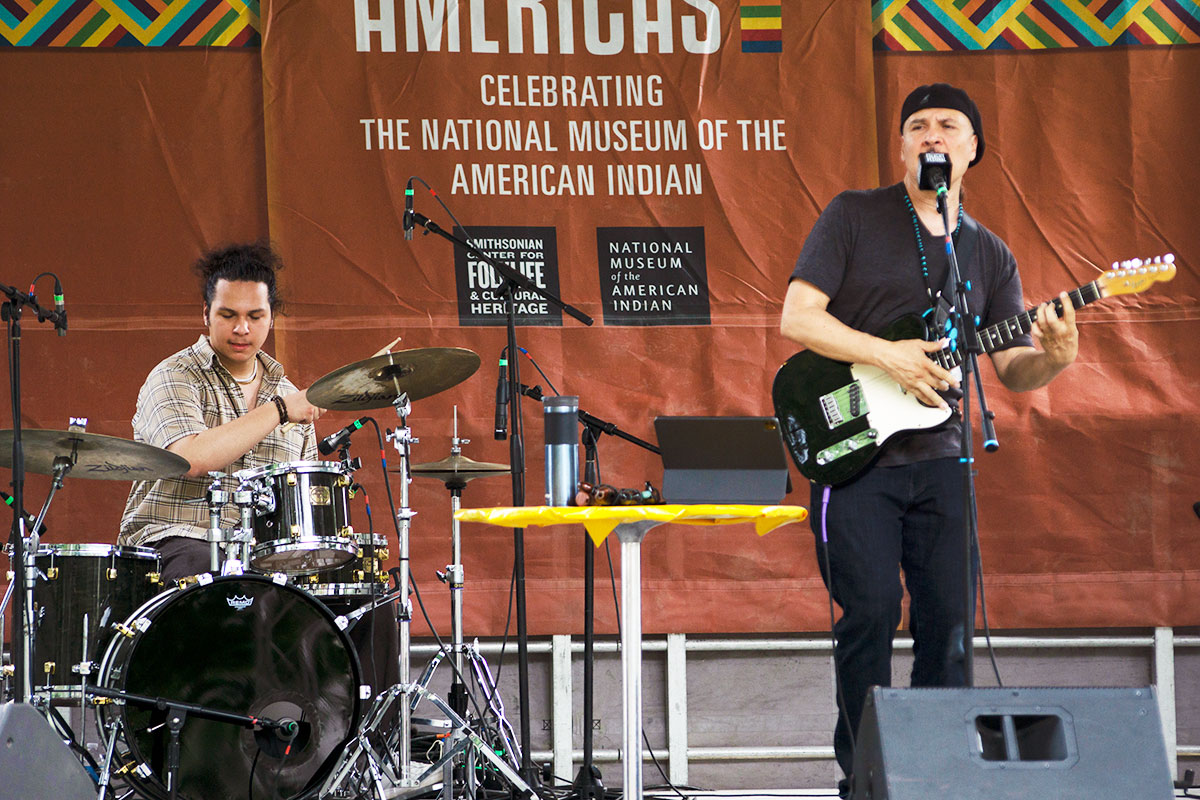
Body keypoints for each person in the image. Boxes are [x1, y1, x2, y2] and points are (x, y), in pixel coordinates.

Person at [779, 84, 1079, 795]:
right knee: (873, 611)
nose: (932, 134)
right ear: (903, 145)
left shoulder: (989, 253)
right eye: (918, 125)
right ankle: (866, 776)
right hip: (856, 457)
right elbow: (797, 317)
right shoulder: (854, 216)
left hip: (943, 460)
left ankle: (940, 776)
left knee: (948, 625)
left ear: (973, 148)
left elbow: (1014, 369)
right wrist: (889, 356)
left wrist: (1058, 356)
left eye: (948, 125)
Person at [119, 242, 323, 580]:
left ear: (271, 317)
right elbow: (190, 457)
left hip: (264, 556)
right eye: (228, 316)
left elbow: (304, 505)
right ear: (206, 314)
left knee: (365, 595)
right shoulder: (174, 375)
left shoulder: (288, 395)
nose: (242, 329)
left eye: (255, 317)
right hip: (175, 540)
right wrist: (281, 410)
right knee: (212, 572)